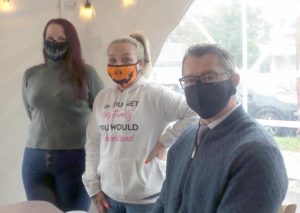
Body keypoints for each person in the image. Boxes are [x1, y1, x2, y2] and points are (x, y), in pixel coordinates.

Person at [152, 44, 289, 213]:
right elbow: (164, 202)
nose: (197, 87)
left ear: (234, 81)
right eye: (189, 81)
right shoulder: (185, 139)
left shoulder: (256, 153)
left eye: (209, 78)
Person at [82, 32, 198, 213]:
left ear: (140, 64)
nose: (118, 65)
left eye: (126, 59)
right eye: (112, 60)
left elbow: (194, 112)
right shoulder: (102, 98)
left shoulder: (154, 94)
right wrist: (93, 186)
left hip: (146, 199)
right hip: (108, 196)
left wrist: (164, 141)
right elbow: (93, 143)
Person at [21, 18, 104, 212]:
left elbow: (103, 116)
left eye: (61, 38)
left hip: (75, 160)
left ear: (72, 42)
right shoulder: (30, 75)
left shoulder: (87, 74)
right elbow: (32, 112)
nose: (54, 42)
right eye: (49, 37)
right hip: (34, 160)